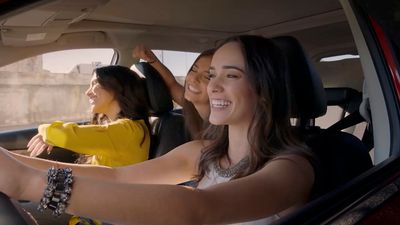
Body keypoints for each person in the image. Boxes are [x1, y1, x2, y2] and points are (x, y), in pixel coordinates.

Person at [0, 35, 315, 225]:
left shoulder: (291, 169)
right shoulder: (204, 152)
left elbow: (199, 210)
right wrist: (17, 165)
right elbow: (119, 177)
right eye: (211, 74)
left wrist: (29, 183)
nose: (212, 86)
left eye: (230, 76)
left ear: (264, 88)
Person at [26, 65, 152, 225]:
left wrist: (46, 132)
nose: (88, 92)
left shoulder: (129, 131)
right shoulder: (122, 128)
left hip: (101, 211)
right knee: (25, 202)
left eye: (95, 84)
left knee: (23, 208)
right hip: (91, 199)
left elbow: (66, 135)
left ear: (117, 87)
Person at [133, 45, 215, 139]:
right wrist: (152, 60)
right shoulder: (190, 106)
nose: (193, 78)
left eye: (207, 76)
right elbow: (171, 84)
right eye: (194, 69)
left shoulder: (226, 128)